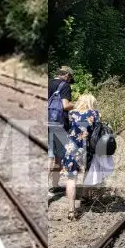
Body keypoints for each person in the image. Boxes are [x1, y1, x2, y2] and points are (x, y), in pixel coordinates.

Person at [60, 93, 100, 220]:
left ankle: (71, 211)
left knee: (71, 179)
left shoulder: (72, 114)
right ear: (91, 103)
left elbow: (68, 128)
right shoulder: (95, 114)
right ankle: (84, 196)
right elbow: (96, 132)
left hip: (72, 148)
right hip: (87, 149)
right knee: (87, 173)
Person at [48, 66, 74, 197]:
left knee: (49, 154)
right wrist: (76, 104)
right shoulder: (64, 86)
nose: (69, 80)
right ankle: (54, 186)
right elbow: (65, 105)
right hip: (58, 124)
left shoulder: (48, 82)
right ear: (67, 75)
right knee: (57, 157)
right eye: (70, 78)